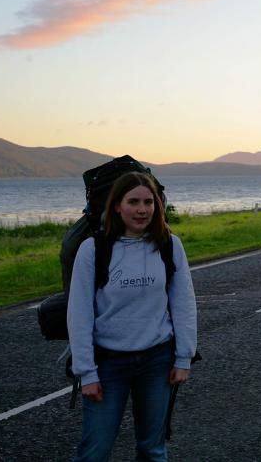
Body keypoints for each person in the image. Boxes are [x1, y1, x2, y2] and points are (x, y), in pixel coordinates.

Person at [67, 171, 197, 461]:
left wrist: (184, 357)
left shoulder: (169, 245)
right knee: (94, 452)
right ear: (117, 206)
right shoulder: (93, 249)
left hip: (157, 360)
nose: (142, 210)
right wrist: (86, 372)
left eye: (149, 202)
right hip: (108, 363)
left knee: (153, 450)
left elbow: (184, 303)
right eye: (133, 202)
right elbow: (79, 313)